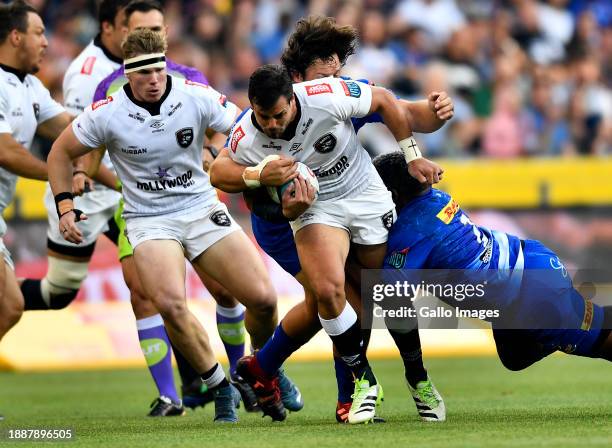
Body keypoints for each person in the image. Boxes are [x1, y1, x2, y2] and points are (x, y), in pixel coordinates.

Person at [209, 15, 449, 423]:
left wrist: (434, 112)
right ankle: (351, 393)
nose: (338, 77)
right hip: (284, 220)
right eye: (327, 71)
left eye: (340, 70)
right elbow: (229, 176)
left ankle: (260, 369)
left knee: (361, 296)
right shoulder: (261, 121)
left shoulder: (331, 94)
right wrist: (271, 189)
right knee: (340, 297)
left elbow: (399, 107)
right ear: (296, 76)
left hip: (351, 200)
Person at [47, 29, 281, 423]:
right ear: (128, 73)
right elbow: (59, 153)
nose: (153, 80)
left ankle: (266, 373)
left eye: (157, 70)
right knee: (171, 304)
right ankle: (221, 387)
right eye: (143, 73)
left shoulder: (195, 94)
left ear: (165, 64)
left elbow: (245, 127)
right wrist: (65, 207)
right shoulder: (107, 112)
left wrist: (240, 162)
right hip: (149, 219)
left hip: (201, 207)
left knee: (264, 298)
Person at [373, 152, 611, 368]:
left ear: (392, 194)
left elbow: (391, 295)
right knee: (514, 357)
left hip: (530, 288)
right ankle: (557, 327)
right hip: (525, 269)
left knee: (598, 339)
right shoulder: (435, 198)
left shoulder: (412, 230)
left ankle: (559, 327)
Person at [0, 1, 71, 341]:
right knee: (9, 304)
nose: (46, 42)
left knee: (8, 305)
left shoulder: (29, 87)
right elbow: (6, 150)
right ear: (15, 36)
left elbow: (72, 131)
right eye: (39, 33)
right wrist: (60, 177)